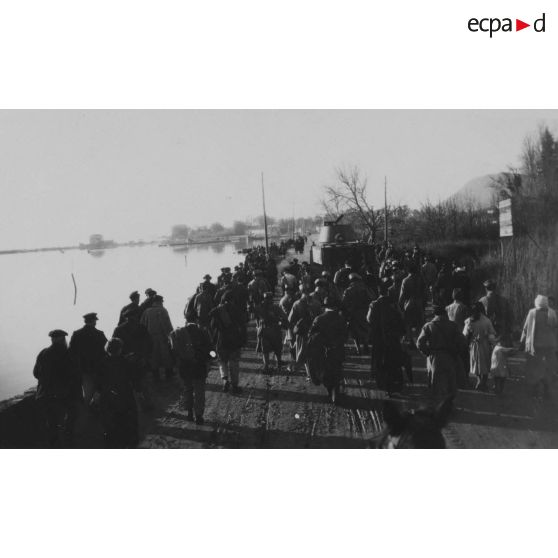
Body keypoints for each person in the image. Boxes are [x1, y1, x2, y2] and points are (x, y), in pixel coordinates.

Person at [33, 330, 81, 447]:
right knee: (71, 416)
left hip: (47, 394)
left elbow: (36, 373)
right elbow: (75, 375)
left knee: (52, 423)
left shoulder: (43, 353)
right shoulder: (70, 353)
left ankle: (53, 444)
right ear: (63, 339)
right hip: (66, 394)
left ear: (52, 340)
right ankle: (68, 439)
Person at [417, 305, 467, 401]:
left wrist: (428, 352)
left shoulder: (428, 326)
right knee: (451, 383)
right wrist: (457, 351)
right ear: (445, 313)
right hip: (450, 357)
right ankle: (449, 404)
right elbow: (462, 341)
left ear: (435, 314)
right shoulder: (453, 325)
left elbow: (420, 343)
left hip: (434, 357)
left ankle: (438, 404)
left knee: (435, 384)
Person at [96, 338, 139, 448]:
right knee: (128, 417)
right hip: (124, 393)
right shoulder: (125, 362)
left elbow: (99, 380)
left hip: (108, 394)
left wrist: (99, 392)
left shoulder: (102, 362)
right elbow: (133, 377)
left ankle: (111, 438)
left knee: (110, 418)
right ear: (119, 349)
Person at [169, 318, 213, 425]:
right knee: (199, 391)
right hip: (199, 366)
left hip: (185, 366)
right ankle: (199, 415)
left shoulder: (177, 333)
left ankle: (189, 412)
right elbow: (211, 349)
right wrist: (212, 357)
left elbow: (173, 350)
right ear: (196, 320)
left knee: (188, 389)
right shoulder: (203, 332)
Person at [367, 281, 406, 396]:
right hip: (392, 337)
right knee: (394, 360)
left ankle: (382, 383)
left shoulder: (374, 304)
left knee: (379, 359)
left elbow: (369, 319)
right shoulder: (393, 303)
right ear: (388, 292)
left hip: (379, 337)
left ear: (378, 292)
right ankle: (396, 383)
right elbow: (401, 317)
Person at [308, 297, 348, 403]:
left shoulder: (318, 319)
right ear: (335, 307)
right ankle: (335, 391)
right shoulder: (341, 319)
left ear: (325, 307)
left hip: (323, 351)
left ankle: (330, 390)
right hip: (337, 350)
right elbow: (345, 336)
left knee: (325, 370)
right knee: (337, 370)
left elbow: (311, 335)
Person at [113, 308, 153, 410]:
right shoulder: (142, 328)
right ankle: (146, 404)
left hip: (127, 361)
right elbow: (149, 344)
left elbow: (114, 346)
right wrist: (145, 357)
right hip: (140, 360)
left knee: (131, 385)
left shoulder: (119, 329)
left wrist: (124, 357)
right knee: (143, 383)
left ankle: (136, 405)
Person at [520, 294, 558, 401]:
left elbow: (525, 328)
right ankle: (546, 391)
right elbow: (555, 327)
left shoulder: (532, 312)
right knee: (547, 369)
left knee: (534, 369)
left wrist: (522, 342)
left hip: (535, 346)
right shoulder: (552, 313)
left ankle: (535, 392)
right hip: (550, 346)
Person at [209, 292, 246, 393]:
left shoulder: (216, 311)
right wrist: (243, 340)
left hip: (221, 341)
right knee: (234, 363)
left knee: (222, 362)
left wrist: (214, 340)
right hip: (234, 340)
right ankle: (234, 386)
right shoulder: (236, 310)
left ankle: (225, 380)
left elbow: (212, 327)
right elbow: (242, 326)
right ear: (232, 299)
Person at [69, 312, 108, 406]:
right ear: (94, 321)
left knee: (87, 393)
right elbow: (106, 351)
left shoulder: (77, 334)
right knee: (99, 392)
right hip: (98, 368)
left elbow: (71, 352)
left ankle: (87, 410)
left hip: (83, 369)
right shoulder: (99, 334)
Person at [463, 302, 496, 391]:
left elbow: (465, 335)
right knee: (484, 364)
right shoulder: (486, 321)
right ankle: (482, 382)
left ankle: (480, 382)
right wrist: (493, 344)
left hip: (474, 345)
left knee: (477, 364)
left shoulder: (469, 321)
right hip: (484, 345)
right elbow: (491, 335)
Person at [141, 295, 174, 380]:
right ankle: (169, 376)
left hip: (151, 337)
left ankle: (156, 377)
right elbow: (167, 325)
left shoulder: (147, 311)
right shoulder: (163, 310)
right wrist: (170, 336)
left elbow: (143, 325)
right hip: (162, 337)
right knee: (166, 357)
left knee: (154, 358)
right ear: (159, 301)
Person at [255, 292, 289, 372]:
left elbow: (256, 317)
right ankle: (277, 363)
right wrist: (281, 321)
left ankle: (267, 366)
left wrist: (258, 326)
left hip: (265, 330)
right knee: (276, 347)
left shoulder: (260, 307)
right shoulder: (275, 308)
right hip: (274, 330)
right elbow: (284, 316)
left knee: (266, 349)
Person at [342, 273, 371, 355]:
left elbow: (344, 303)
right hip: (364, 312)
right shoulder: (364, 289)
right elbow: (371, 298)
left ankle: (358, 349)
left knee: (355, 333)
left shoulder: (348, 290)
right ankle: (366, 346)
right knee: (364, 330)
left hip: (353, 314)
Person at [399, 264, 427, 345]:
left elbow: (402, 295)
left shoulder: (405, 280)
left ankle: (410, 340)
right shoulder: (421, 279)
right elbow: (425, 292)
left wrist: (400, 305)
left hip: (409, 303)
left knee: (408, 323)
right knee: (419, 323)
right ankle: (418, 340)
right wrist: (424, 303)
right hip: (419, 302)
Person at [479, 280, 511, 345]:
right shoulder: (504, 300)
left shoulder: (482, 301)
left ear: (486, 289)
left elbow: (478, 320)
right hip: (502, 334)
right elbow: (510, 317)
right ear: (495, 288)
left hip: (488, 335)